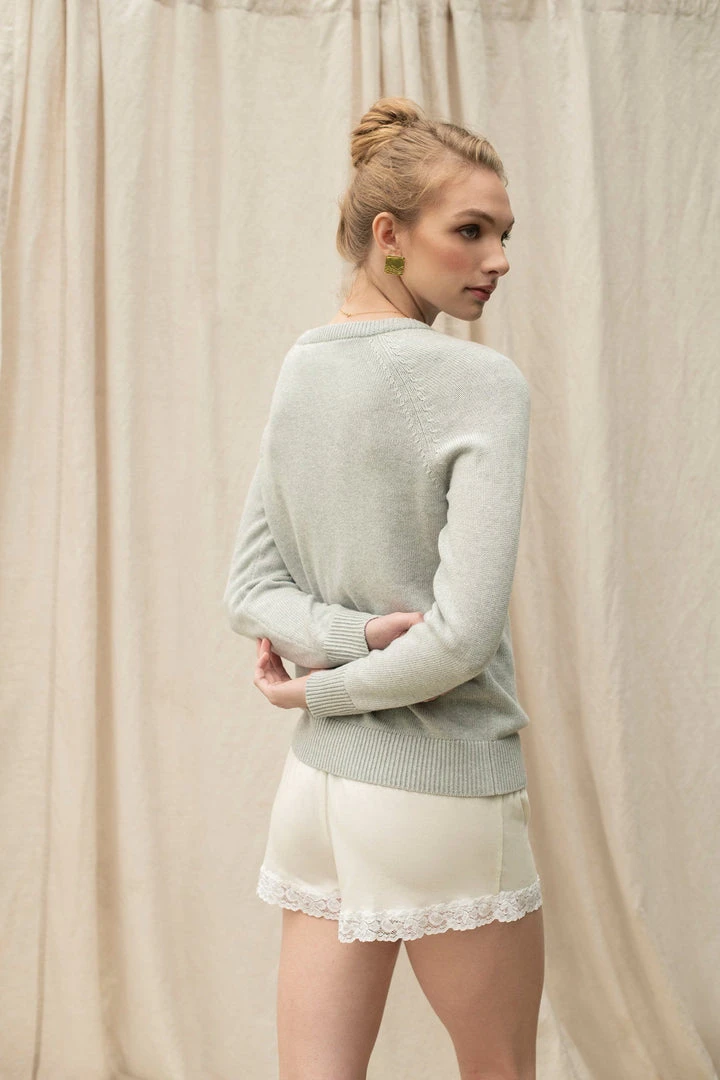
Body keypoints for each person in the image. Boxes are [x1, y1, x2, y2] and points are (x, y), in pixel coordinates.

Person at [223, 95, 544, 1080]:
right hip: (440, 789)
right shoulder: (483, 382)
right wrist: (335, 674)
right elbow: (458, 640)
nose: (497, 258)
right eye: (471, 231)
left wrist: (332, 655)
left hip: (317, 794)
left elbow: (251, 590)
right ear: (389, 236)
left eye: (504, 234)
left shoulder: (303, 367)